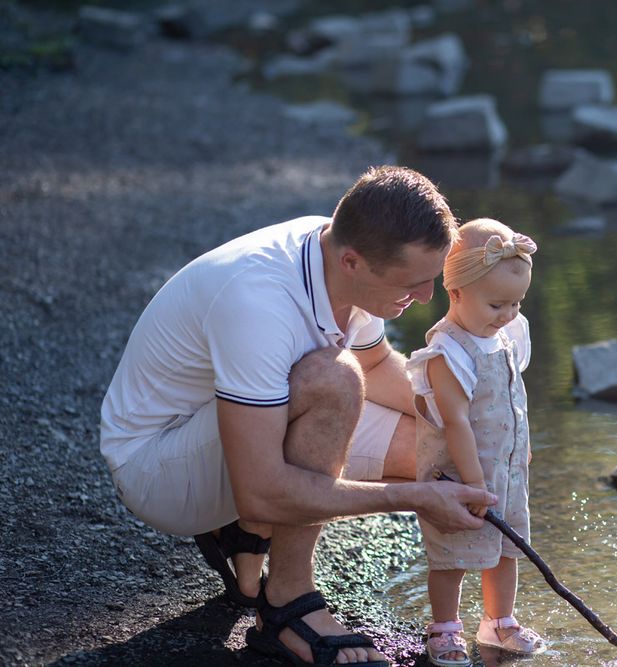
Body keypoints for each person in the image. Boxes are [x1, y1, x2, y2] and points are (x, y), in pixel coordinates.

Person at [99, 165, 496, 667]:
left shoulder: (341, 251)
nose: (426, 297)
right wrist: (416, 498)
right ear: (353, 262)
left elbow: (376, 364)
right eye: (413, 283)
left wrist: (475, 431)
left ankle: (243, 534)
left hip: (231, 425)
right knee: (335, 379)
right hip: (158, 466)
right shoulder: (259, 301)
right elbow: (261, 488)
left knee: (434, 451)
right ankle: (287, 602)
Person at [406, 219, 548, 666]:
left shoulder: (506, 333)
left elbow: (512, 397)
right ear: (456, 293)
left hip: (506, 470)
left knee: (507, 548)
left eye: (516, 303)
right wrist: (473, 484)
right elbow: (456, 424)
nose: (507, 314)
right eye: (496, 304)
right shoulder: (447, 352)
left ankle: (498, 621)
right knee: (451, 555)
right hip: (459, 475)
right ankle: (445, 627)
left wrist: (522, 446)